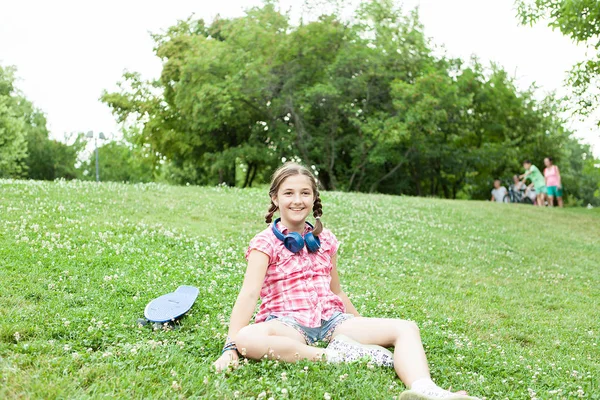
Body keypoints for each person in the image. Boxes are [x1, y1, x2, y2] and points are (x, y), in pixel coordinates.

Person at [213, 162, 479, 400]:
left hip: (332, 321)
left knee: (406, 327)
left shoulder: (325, 239)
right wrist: (231, 348)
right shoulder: (264, 242)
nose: (297, 200)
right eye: (289, 193)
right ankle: (334, 357)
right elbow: (249, 295)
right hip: (287, 324)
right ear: (275, 198)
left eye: (305, 193)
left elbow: (335, 290)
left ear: (314, 197)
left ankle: (425, 390)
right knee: (246, 338)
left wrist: (363, 329)